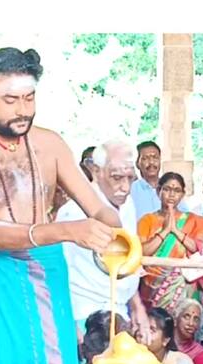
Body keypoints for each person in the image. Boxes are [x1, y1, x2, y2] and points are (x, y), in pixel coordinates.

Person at [0, 47, 121, 364]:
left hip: (49, 274)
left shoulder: (50, 144)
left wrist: (117, 240)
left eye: (29, 98)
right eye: (10, 100)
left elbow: (99, 208)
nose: (22, 110)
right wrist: (66, 230)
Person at [57, 141, 149, 336]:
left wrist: (137, 307)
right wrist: (68, 321)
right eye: (116, 178)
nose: (125, 187)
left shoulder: (127, 204)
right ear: (96, 171)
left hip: (118, 311)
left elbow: (126, 261)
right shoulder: (73, 212)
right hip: (83, 315)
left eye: (130, 178)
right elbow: (56, 270)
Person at [136, 172, 203, 313]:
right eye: (167, 189)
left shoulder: (194, 221)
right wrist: (164, 232)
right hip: (151, 287)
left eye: (176, 191)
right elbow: (142, 252)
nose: (171, 194)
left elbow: (198, 249)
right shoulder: (147, 220)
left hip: (182, 286)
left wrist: (176, 231)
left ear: (182, 194)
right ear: (159, 191)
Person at [130, 140, 162, 221]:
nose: (151, 162)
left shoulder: (171, 187)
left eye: (155, 158)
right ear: (137, 163)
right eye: (145, 158)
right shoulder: (130, 191)